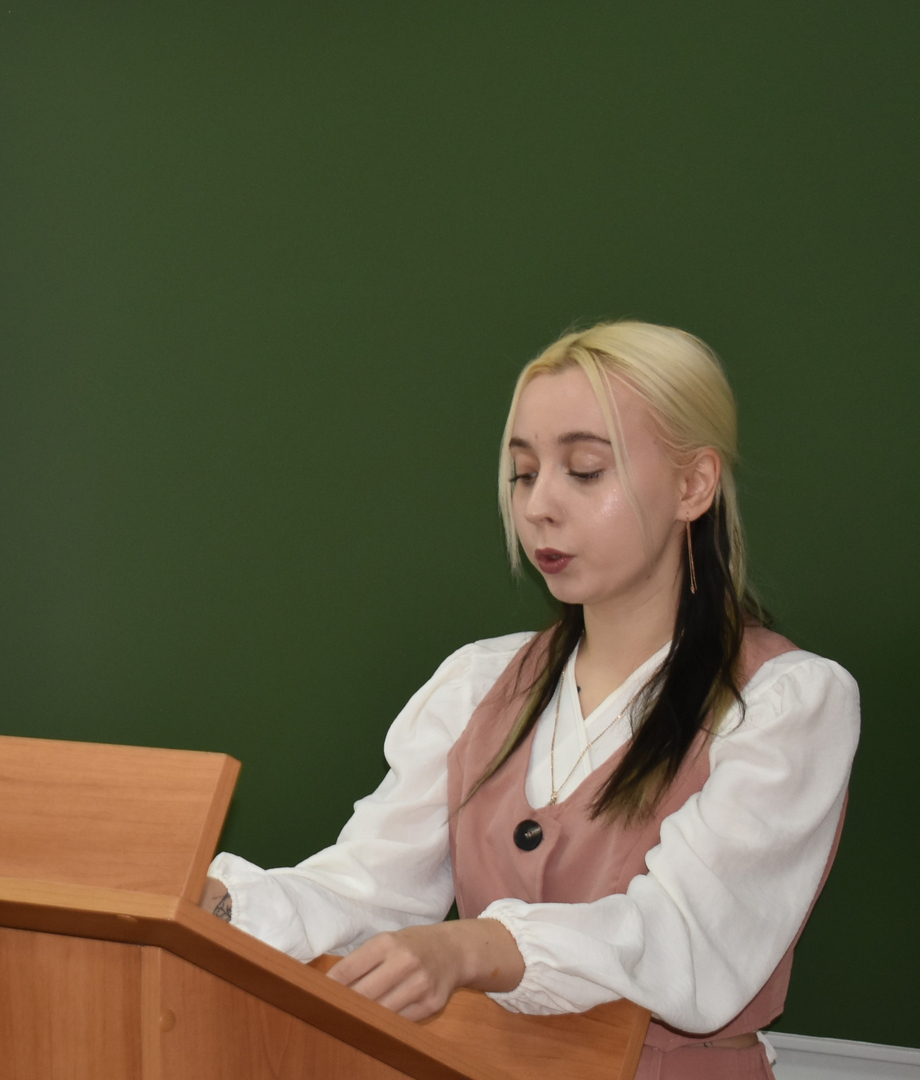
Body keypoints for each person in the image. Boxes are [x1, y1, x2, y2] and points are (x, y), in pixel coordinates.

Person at [203, 321, 857, 1080]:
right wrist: (217, 903)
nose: (540, 504)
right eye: (522, 473)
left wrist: (476, 946)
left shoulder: (785, 702)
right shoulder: (479, 684)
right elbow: (368, 885)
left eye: (585, 470)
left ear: (693, 486)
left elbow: (688, 940)